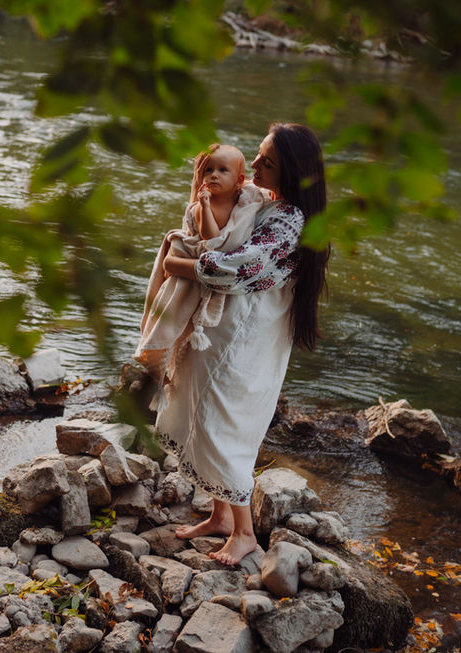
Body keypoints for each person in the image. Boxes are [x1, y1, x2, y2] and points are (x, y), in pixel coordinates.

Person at [154, 123, 331, 565]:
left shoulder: (291, 220)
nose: (254, 166)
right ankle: (219, 515)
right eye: (257, 155)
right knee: (201, 409)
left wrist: (177, 263)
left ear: (291, 171)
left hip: (246, 339)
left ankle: (245, 532)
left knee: (223, 425)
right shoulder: (268, 200)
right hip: (223, 330)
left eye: (267, 162)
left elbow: (239, 269)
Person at [134, 144, 265, 396]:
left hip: (220, 275)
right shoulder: (202, 205)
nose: (213, 175)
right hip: (198, 261)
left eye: (222, 170)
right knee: (173, 315)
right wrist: (203, 205)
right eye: (208, 170)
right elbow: (211, 239)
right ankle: (160, 367)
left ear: (239, 180)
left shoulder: (246, 201)